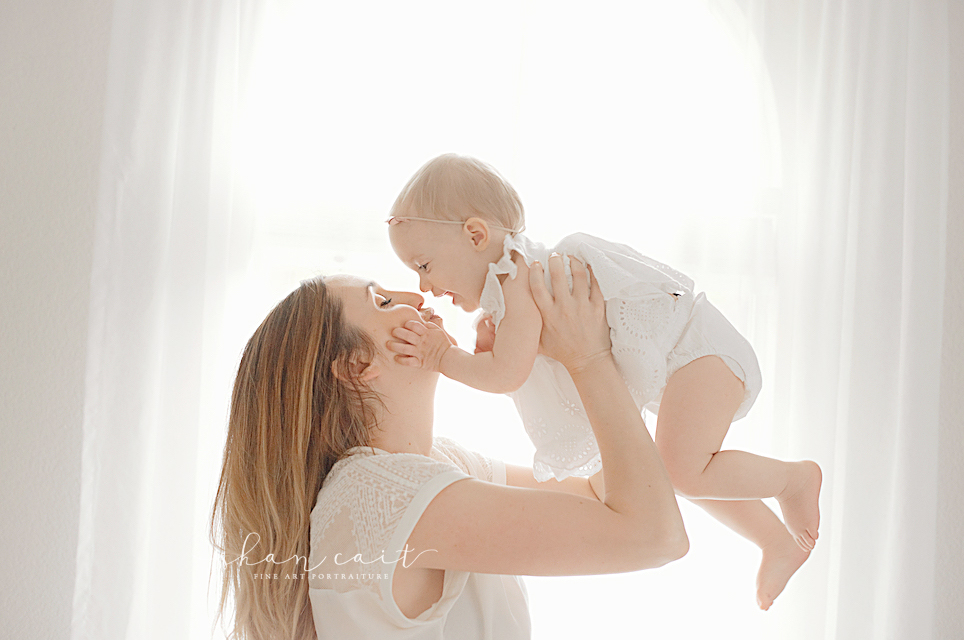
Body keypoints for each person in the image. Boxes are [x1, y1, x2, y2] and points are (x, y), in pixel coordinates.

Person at [386, 153, 822, 610]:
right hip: (693, 358)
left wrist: (441, 355)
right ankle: (775, 539)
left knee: (679, 469)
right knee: (670, 470)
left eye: (425, 265)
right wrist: (496, 340)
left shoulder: (516, 276)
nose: (423, 285)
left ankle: (793, 481)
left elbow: (505, 375)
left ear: (475, 235)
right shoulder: (514, 282)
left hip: (701, 351)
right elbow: (527, 357)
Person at [211, 256, 688, 639]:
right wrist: (587, 359)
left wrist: (559, 363)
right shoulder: (381, 493)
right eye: (380, 302)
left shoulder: (437, 467)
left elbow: (608, 491)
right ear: (357, 366)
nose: (416, 294)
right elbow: (653, 535)